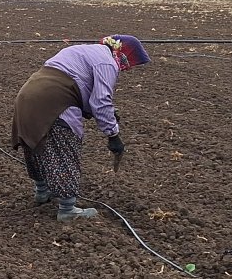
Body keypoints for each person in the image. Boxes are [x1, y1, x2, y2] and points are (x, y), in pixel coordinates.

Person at [11, 34, 151, 221]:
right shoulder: (107, 62)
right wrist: (113, 135)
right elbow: (100, 102)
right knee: (64, 149)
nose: (127, 68)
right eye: (131, 63)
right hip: (56, 102)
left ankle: (42, 192)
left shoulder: (83, 50)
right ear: (124, 54)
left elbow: (80, 87)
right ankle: (67, 209)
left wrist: (101, 112)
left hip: (28, 96)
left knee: (36, 144)